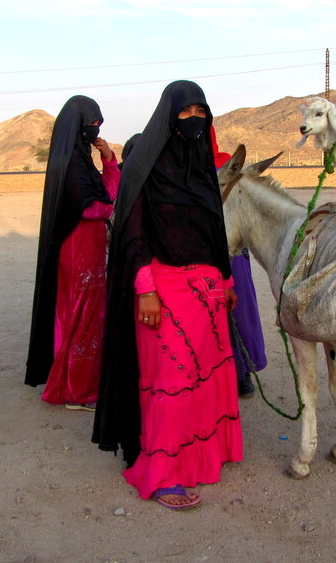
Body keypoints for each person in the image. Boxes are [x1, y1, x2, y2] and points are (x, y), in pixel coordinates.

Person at [93, 80, 243, 510]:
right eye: (186, 113)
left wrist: (227, 283)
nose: (194, 121)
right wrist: (145, 291)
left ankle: (203, 457)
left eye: (201, 113)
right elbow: (133, 233)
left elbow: (215, 231)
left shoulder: (200, 171)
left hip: (209, 291)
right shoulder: (144, 166)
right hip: (164, 291)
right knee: (172, 381)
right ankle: (162, 475)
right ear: (168, 116)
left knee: (208, 377)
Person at [25, 96, 120, 411]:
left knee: (82, 315)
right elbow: (93, 206)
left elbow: (107, 193)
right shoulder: (72, 164)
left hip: (86, 249)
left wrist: (108, 161)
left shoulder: (81, 160)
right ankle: (79, 391)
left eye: (98, 125)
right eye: (91, 124)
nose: (95, 130)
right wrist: (110, 209)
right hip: (79, 249)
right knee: (83, 317)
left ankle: (74, 384)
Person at [209, 126, 267, 397]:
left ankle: (241, 373)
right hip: (208, 250)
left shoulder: (222, 165)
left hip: (228, 249)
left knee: (234, 312)